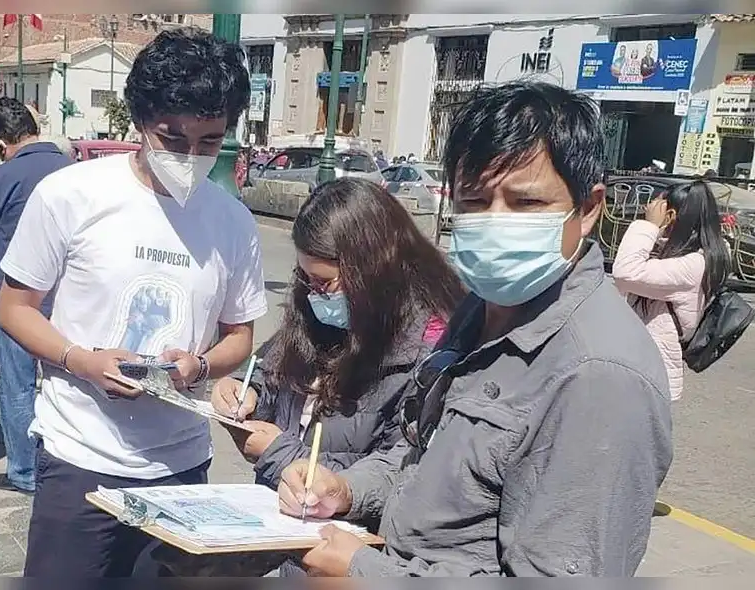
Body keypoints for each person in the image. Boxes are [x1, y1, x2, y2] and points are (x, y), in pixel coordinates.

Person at [274, 81, 673, 577]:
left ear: (588, 208)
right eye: (475, 201)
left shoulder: (598, 377)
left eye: (525, 204)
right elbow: (424, 461)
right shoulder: (483, 310)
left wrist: (364, 574)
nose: (495, 223)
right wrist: (350, 489)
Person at [0, 27, 266, 579]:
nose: (191, 156)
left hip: (181, 464)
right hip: (80, 459)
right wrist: (81, 360)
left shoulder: (233, 221)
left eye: (210, 142)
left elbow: (240, 335)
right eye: (173, 138)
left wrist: (201, 365)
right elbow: (14, 308)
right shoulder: (71, 194)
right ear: (141, 122)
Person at [211, 178, 462, 489]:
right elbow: (270, 371)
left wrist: (281, 456)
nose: (314, 294)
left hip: (347, 529)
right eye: (305, 279)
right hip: (279, 515)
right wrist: (247, 391)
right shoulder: (311, 310)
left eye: (325, 283)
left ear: (372, 270)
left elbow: (399, 471)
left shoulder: (427, 346)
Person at [0, 97, 73, 494]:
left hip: (14, 296)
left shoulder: (5, 176)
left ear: (1, 141)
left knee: (17, 385)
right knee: (67, 383)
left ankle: (23, 470)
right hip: (67, 297)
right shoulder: (72, 170)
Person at [612, 181, 729, 401]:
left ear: (673, 216)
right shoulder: (698, 254)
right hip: (642, 366)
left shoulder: (695, 264)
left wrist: (649, 226)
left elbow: (625, 272)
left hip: (651, 372)